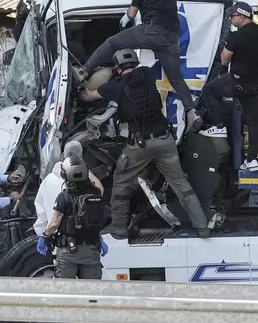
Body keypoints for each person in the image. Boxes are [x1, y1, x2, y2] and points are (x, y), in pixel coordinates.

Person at [79, 49, 211, 239]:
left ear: (117, 66)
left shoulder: (112, 87)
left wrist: (81, 91)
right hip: (165, 140)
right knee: (181, 184)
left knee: (121, 181)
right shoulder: (148, 76)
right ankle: (202, 227)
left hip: (140, 145)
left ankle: (119, 228)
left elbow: (89, 96)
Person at [76, 0, 202, 136]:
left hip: (151, 31)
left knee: (112, 43)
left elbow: (133, 13)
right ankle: (191, 111)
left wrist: (126, 17)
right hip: (171, 36)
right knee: (176, 78)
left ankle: (83, 71)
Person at [37, 156, 108, 323]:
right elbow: (97, 223)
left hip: (68, 252)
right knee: (91, 294)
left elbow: (53, 224)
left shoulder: (64, 197)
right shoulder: (96, 196)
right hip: (92, 251)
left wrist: (45, 237)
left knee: (66, 292)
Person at [199, 1, 258, 172]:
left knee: (209, 90)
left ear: (241, 16)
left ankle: (218, 127)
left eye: (232, 16)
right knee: (253, 122)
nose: (231, 19)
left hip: (238, 81)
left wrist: (228, 47)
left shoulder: (236, 36)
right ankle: (252, 160)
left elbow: (224, 60)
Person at [33, 141, 104, 237]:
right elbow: (99, 193)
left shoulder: (48, 180)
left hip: (58, 239)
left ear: (63, 155)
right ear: (81, 158)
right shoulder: (87, 187)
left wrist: (44, 235)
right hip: (87, 239)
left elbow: (42, 214)